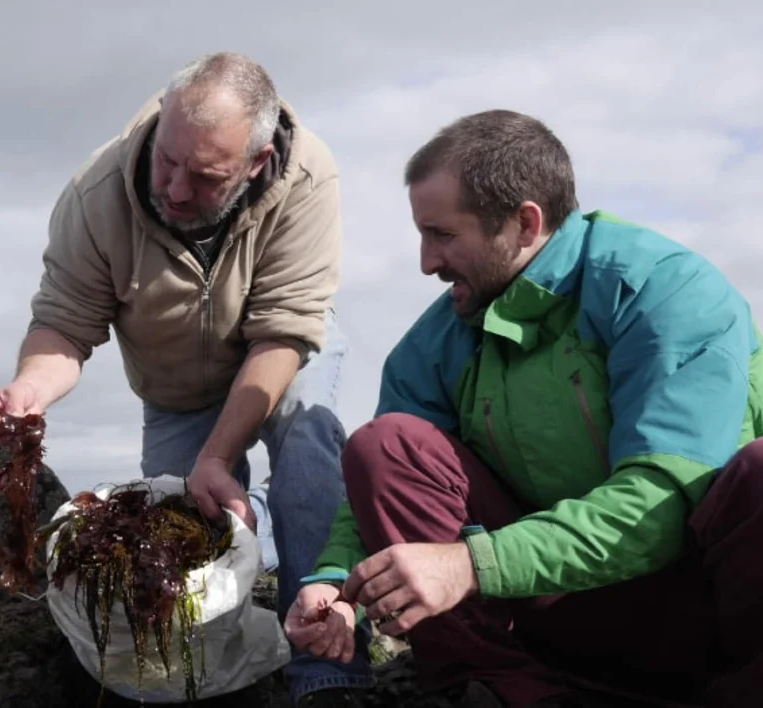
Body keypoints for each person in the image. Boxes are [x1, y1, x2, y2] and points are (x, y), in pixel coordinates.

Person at [287, 109, 763, 707]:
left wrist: (470, 565)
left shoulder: (663, 291)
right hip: (559, 617)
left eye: (442, 235)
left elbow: (662, 504)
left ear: (525, 223)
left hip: (703, 607)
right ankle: (506, 689)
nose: (426, 262)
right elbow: (374, 499)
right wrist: (335, 583)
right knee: (386, 445)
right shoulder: (436, 343)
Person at [0, 51, 370, 704]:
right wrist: (30, 390)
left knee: (307, 443)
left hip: (285, 348)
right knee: (179, 538)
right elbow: (65, 327)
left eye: (206, 176)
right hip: (177, 390)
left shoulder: (308, 175)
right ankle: (227, 669)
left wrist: (220, 454)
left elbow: (282, 333)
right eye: (168, 160)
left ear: (258, 163)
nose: (177, 188)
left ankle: (329, 677)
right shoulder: (95, 196)